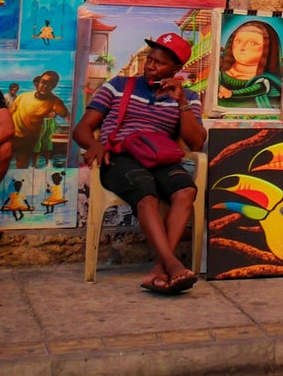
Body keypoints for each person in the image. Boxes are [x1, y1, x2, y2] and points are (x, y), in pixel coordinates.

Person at [72, 33, 206, 294]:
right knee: (146, 192)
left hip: (158, 157)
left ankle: (159, 270)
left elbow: (196, 143)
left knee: (186, 190)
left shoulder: (188, 96)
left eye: (159, 63)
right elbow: (82, 129)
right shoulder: (119, 85)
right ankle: (173, 265)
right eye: (149, 60)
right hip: (120, 156)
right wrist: (95, 144)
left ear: (176, 70)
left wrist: (181, 103)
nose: (151, 66)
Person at [215, 18, 283, 109]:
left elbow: (257, 89)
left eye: (253, 43)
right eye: (238, 41)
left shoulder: (267, 79)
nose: (242, 47)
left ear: (267, 49)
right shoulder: (220, 75)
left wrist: (231, 93)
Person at [11, 70, 71, 168]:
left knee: (21, 168)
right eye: (43, 82)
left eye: (50, 84)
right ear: (39, 82)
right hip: (11, 137)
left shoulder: (55, 102)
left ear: (54, 86)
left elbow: (68, 117)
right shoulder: (23, 96)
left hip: (28, 141)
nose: (45, 86)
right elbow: (9, 114)